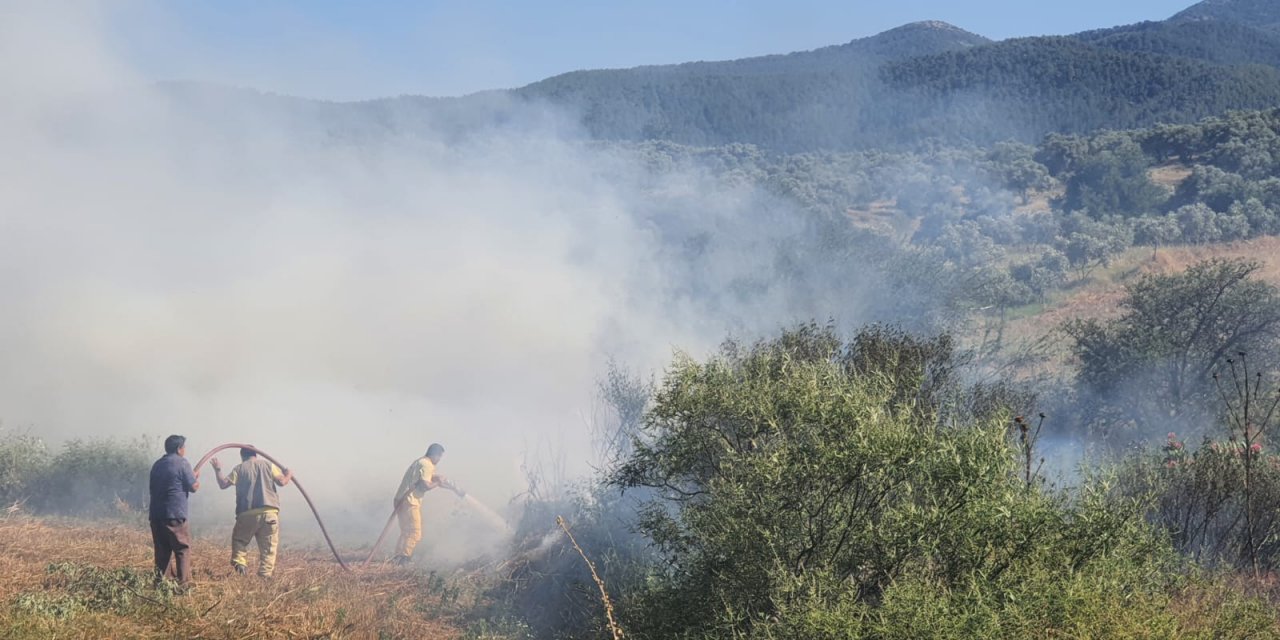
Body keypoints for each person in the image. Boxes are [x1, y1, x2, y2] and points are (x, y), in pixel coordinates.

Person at [210, 448, 292, 577]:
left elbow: (223, 484)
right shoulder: (268, 465)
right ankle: (265, 576)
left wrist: (218, 469)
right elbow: (282, 481)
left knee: (239, 541)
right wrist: (288, 474)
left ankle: (240, 564)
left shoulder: (239, 468)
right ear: (256, 454)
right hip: (269, 513)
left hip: (246, 514)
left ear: (242, 456)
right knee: (269, 548)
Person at [392, 443, 458, 564]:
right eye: (439, 457)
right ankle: (404, 559)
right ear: (435, 455)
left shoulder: (419, 462)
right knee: (415, 533)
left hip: (400, 500)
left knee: (406, 531)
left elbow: (429, 479)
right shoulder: (427, 465)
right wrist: (437, 483)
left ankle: (397, 557)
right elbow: (425, 486)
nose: (439, 460)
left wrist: (453, 488)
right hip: (410, 502)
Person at [148, 434, 199, 588]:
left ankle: (162, 585)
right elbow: (194, 487)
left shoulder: (157, 464)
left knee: (162, 551)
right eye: (184, 447)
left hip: (156, 515)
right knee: (182, 548)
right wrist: (195, 479)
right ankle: (183, 584)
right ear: (179, 449)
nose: (185, 450)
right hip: (175, 513)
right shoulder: (182, 463)